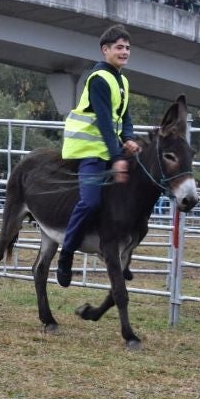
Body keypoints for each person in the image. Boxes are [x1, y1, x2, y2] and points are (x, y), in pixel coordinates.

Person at [56, 24, 141, 287]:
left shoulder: (122, 80)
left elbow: (123, 116)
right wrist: (117, 157)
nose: (124, 52)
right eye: (119, 47)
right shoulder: (99, 79)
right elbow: (105, 122)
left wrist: (129, 138)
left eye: (127, 48)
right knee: (91, 203)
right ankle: (66, 252)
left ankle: (122, 253)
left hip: (111, 149)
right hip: (91, 152)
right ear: (106, 50)